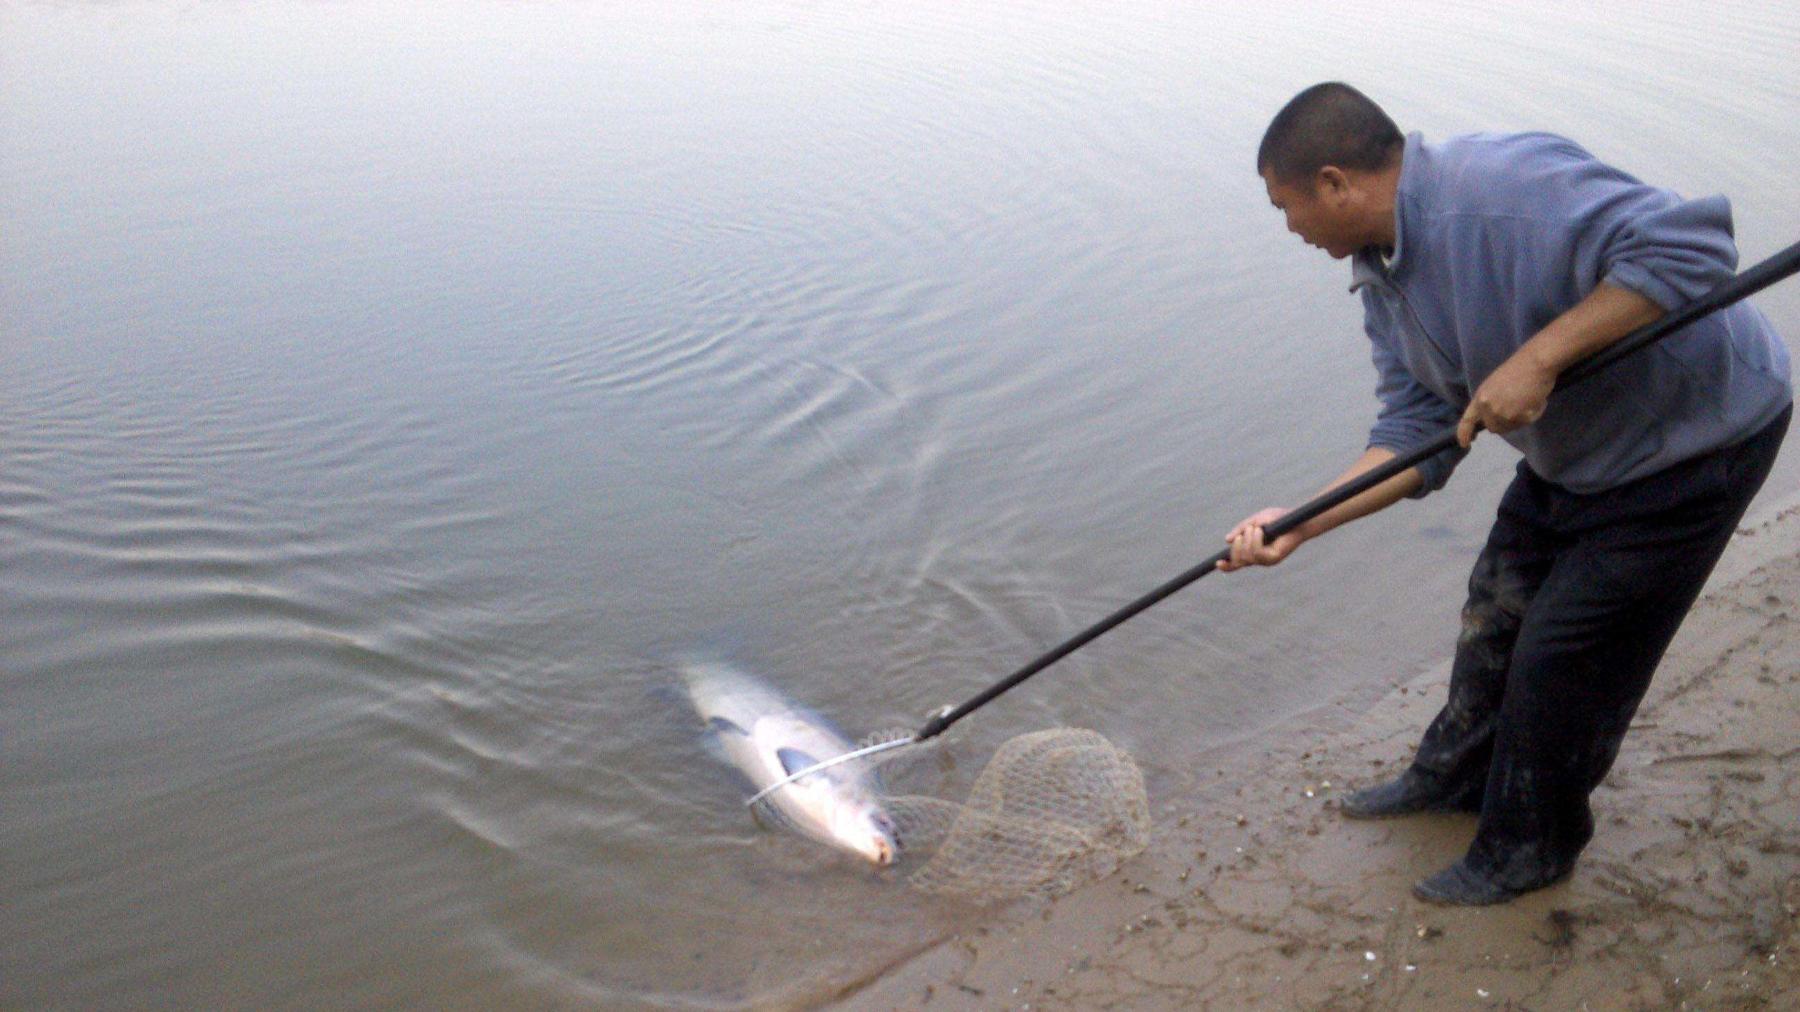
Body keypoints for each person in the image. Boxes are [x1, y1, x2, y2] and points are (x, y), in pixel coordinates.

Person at [1218, 82, 1792, 905]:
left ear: (1337, 182)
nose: (1290, 229)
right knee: (1494, 612)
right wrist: (1300, 523)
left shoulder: (1507, 191)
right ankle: (1455, 779)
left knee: (1563, 657)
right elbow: (1419, 429)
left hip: (1698, 439)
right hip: (1578, 452)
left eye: (1286, 207)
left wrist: (1541, 356)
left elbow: (1695, 246)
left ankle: (1532, 846)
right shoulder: (1379, 273)